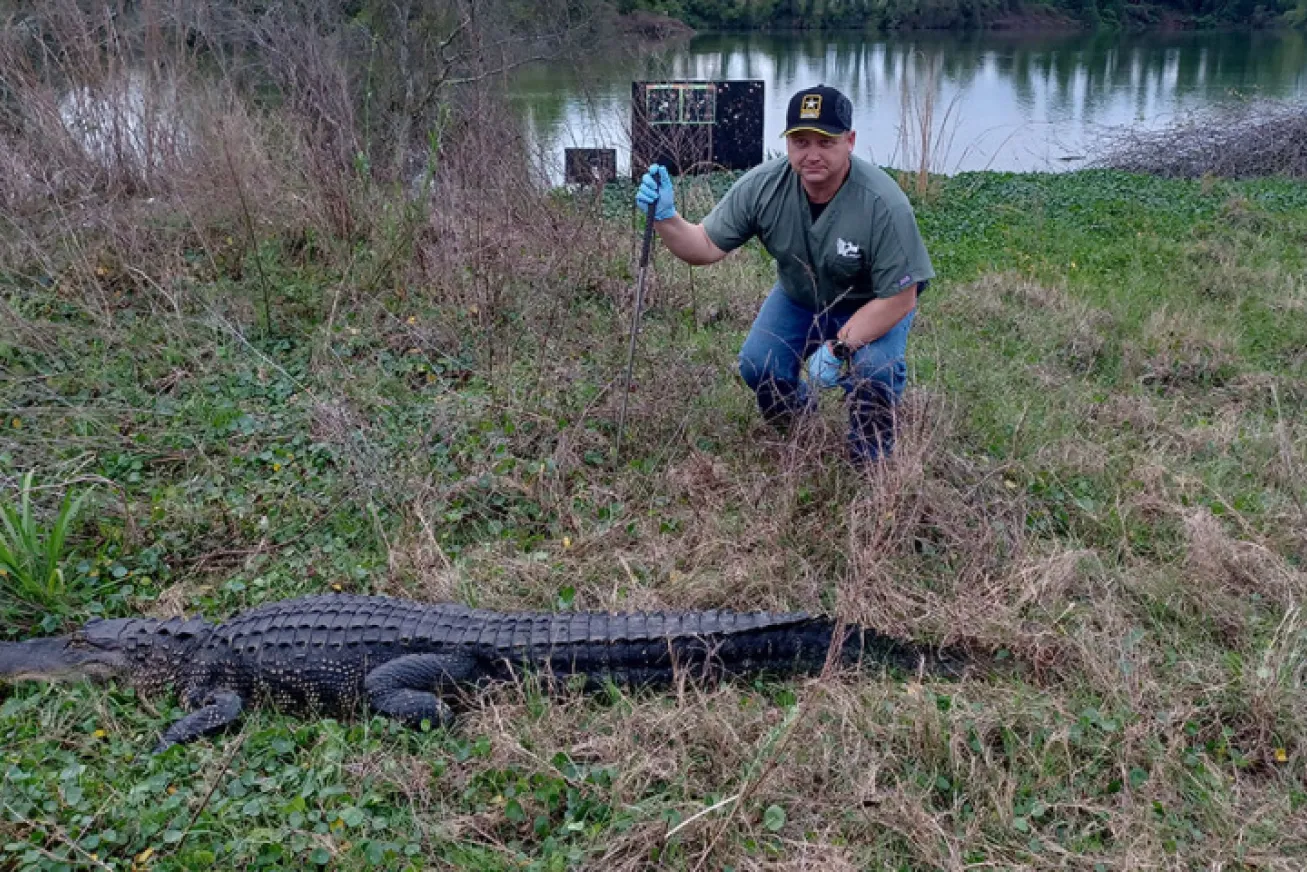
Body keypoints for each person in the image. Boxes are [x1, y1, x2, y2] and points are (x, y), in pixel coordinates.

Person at [635, 84, 934, 464]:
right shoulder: (763, 186)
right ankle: (799, 431)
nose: (812, 155)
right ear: (788, 142)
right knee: (759, 364)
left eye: (826, 143)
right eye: (800, 141)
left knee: (875, 370)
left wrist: (838, 348)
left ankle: (870, 461)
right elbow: (704, 246)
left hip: (875, 303)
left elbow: (901, 297)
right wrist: (666, 218)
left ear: (850, 141)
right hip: (800, 299)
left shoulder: (883, 202)